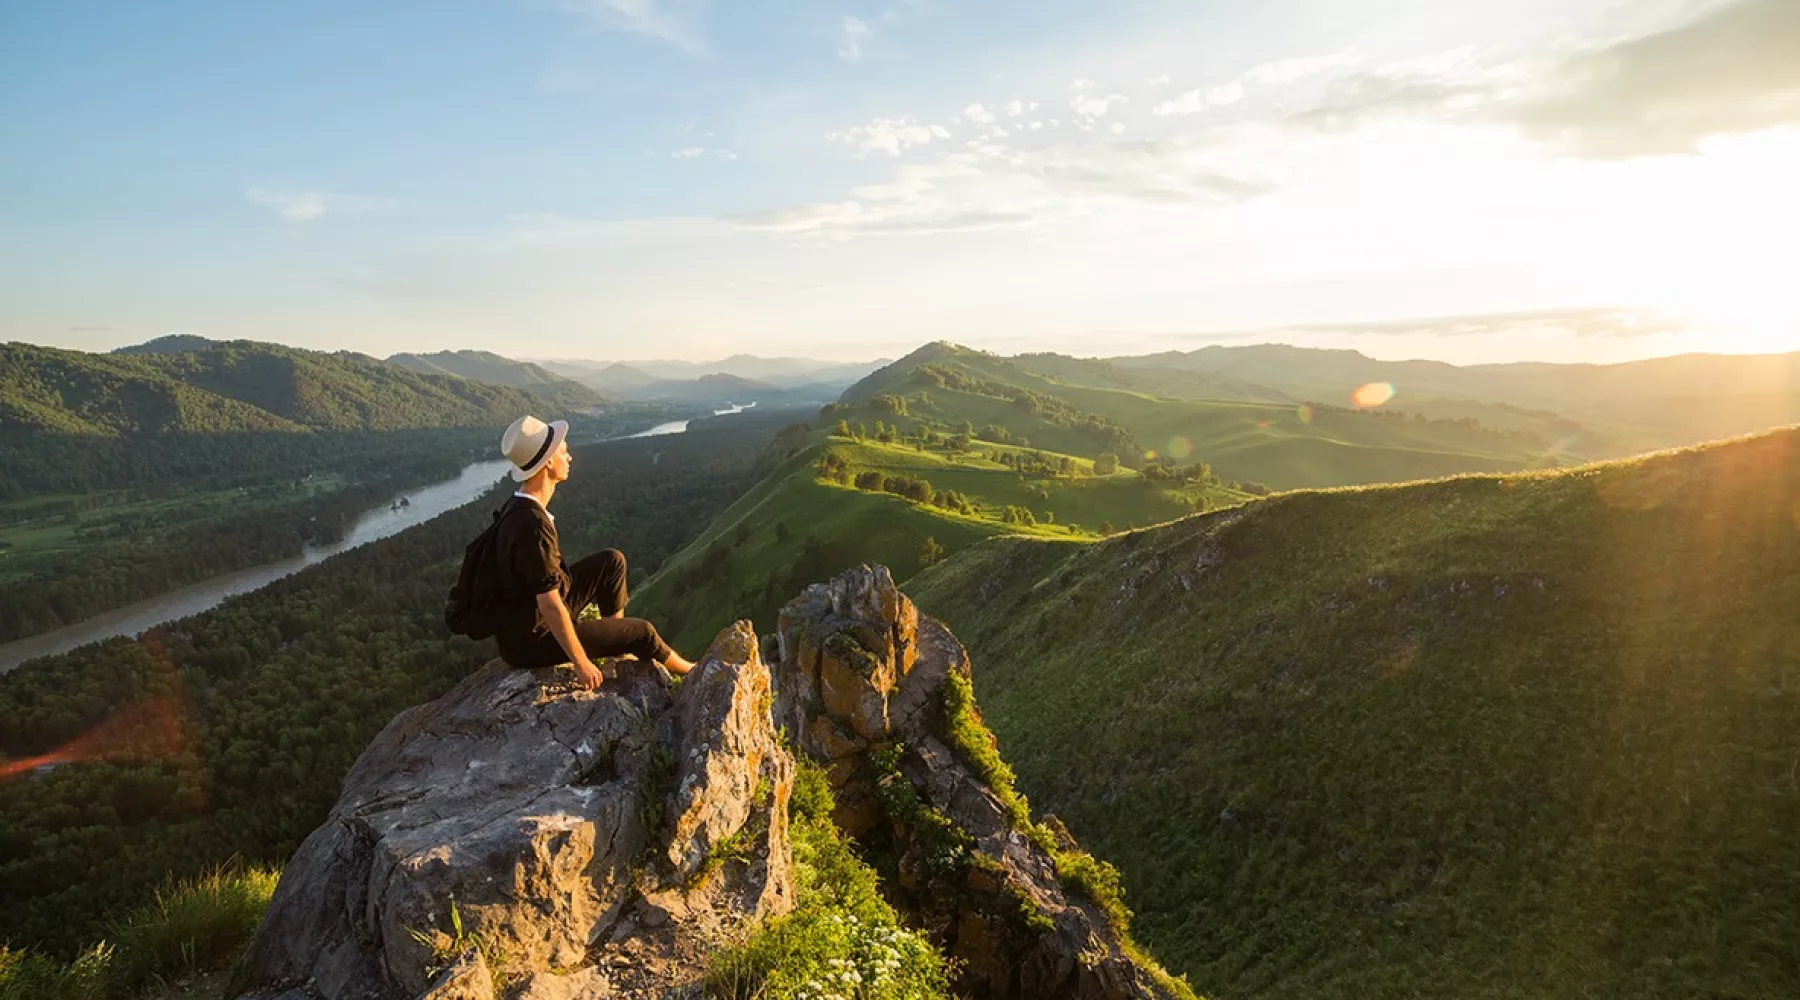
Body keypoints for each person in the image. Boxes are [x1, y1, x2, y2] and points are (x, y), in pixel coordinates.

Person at [490, 415, 695, 689]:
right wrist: (581, 662)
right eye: (564, 451)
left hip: (528, 619)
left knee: (612, 562)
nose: (570, 457)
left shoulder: (519, 507)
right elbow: (549, 603)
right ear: (548, 462)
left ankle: (616, 654)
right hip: (532, 639)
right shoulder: (532, 526)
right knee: (643, 632)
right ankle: (693, 672)